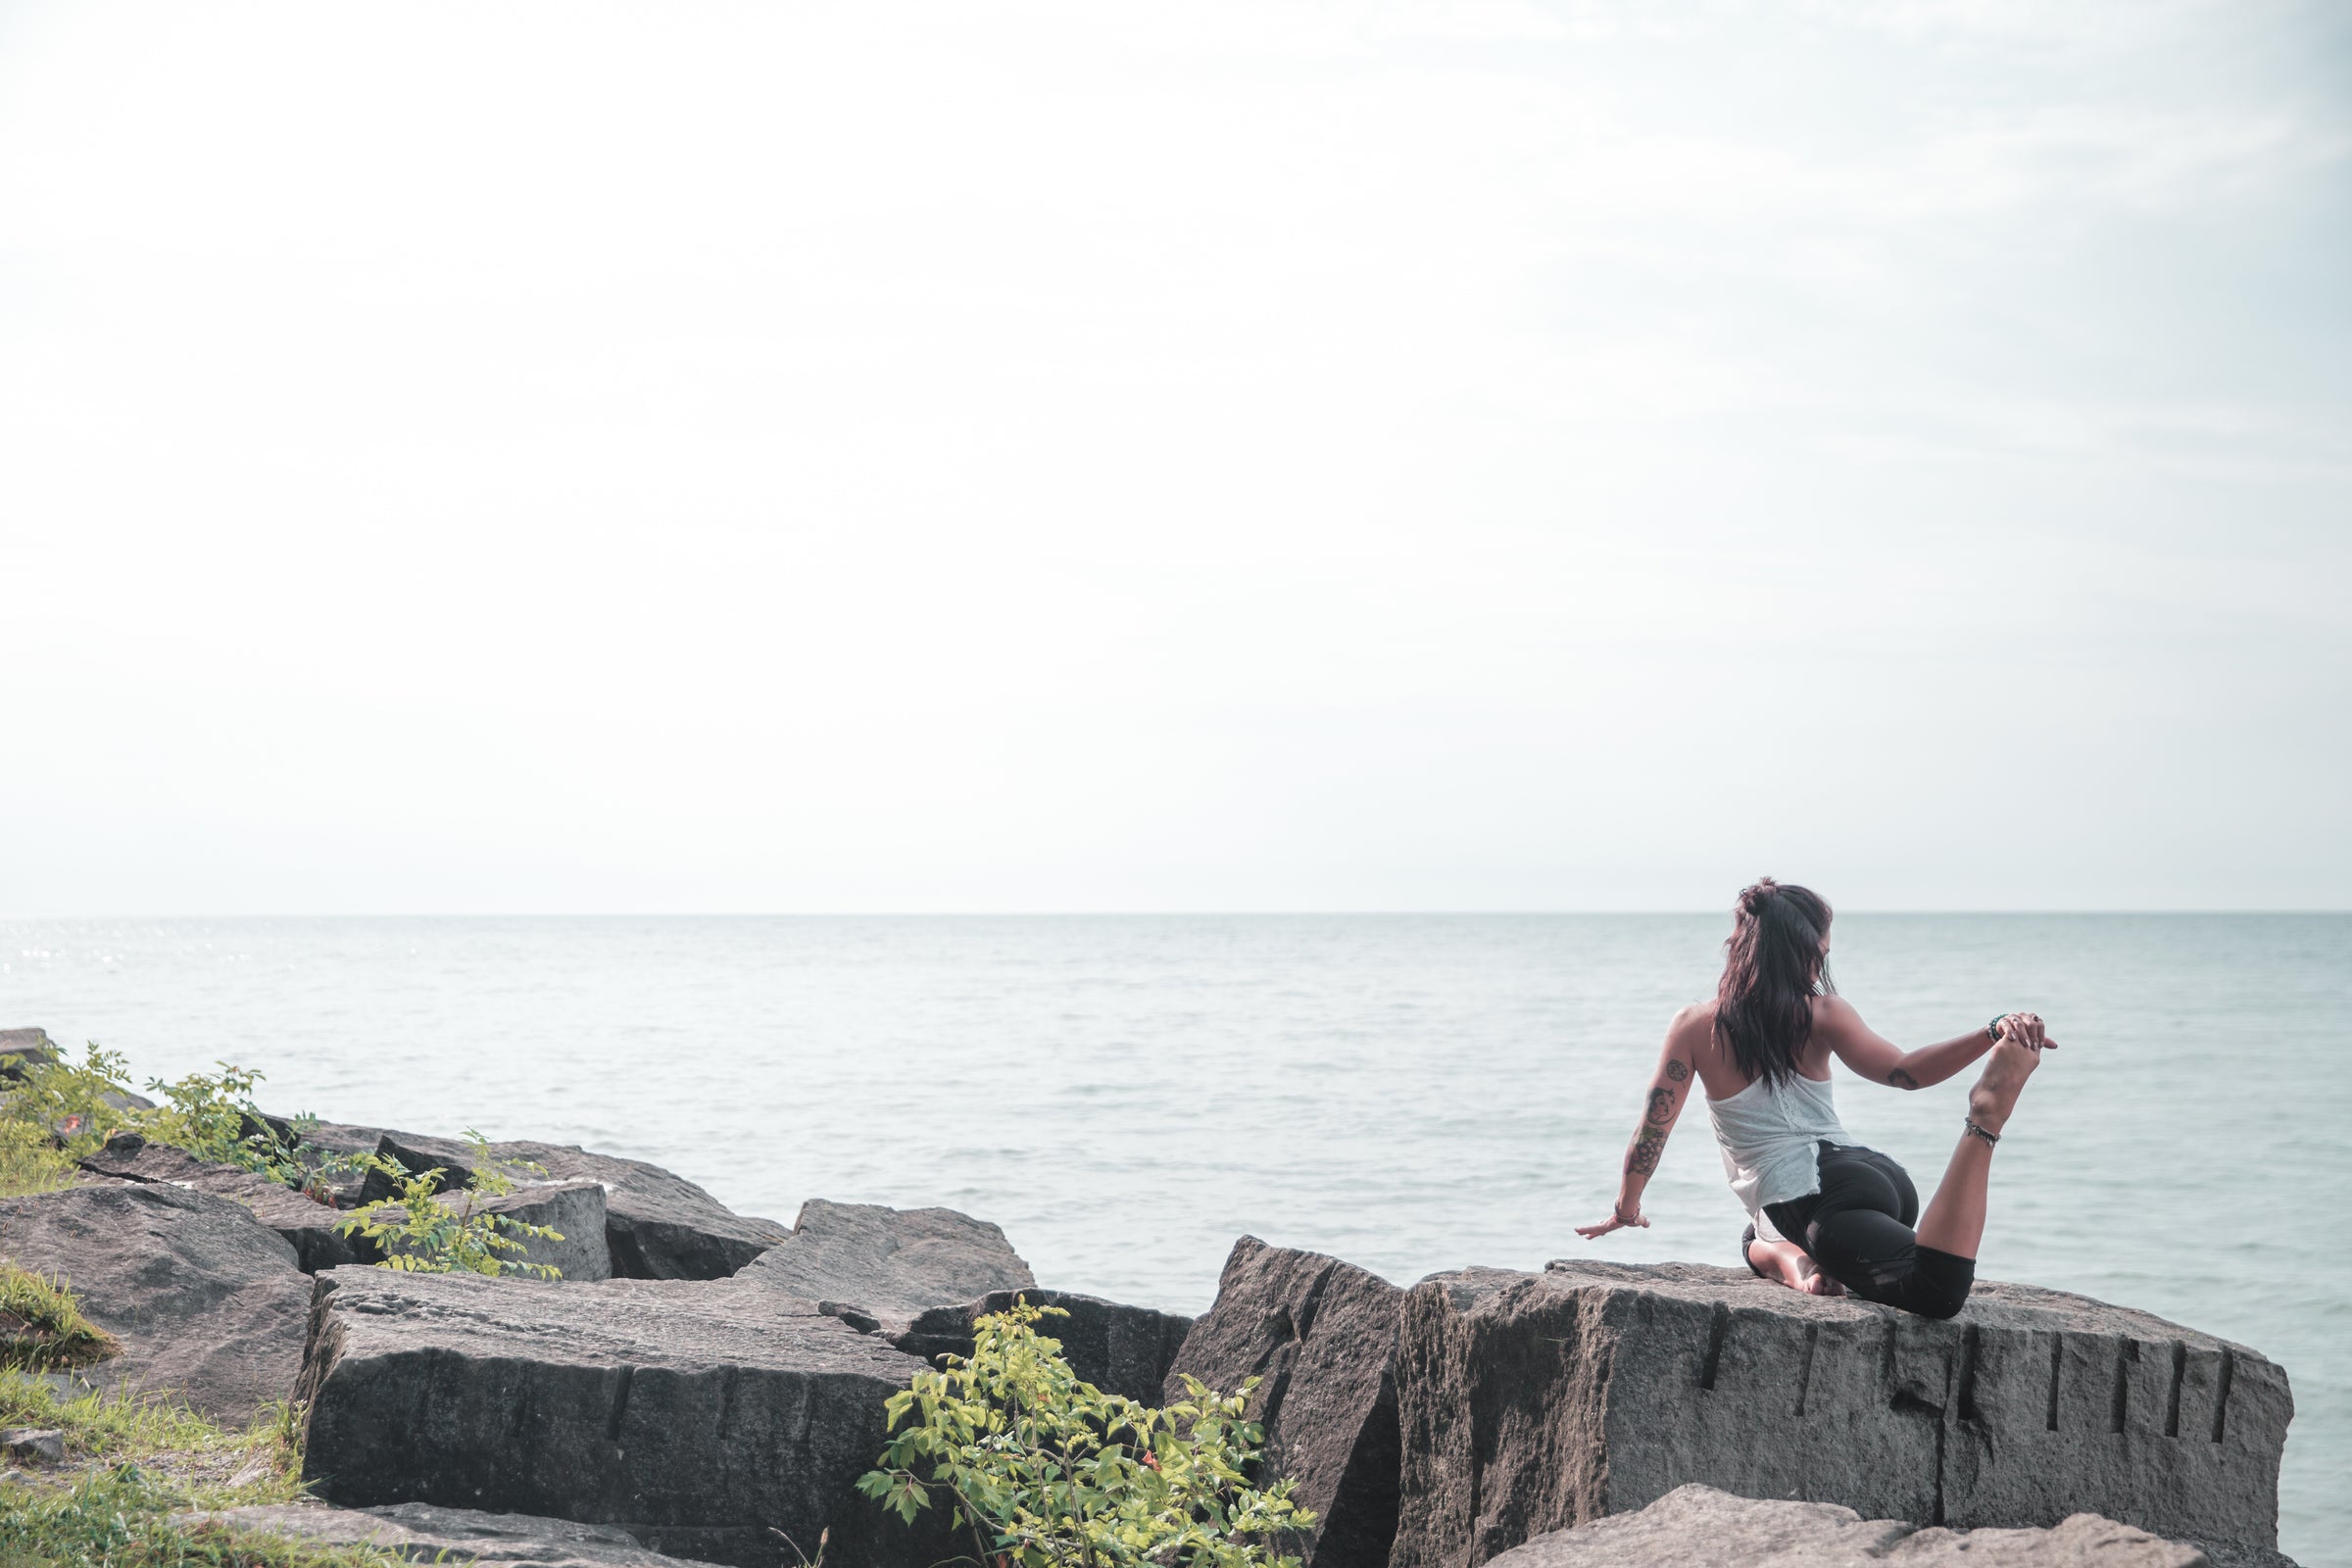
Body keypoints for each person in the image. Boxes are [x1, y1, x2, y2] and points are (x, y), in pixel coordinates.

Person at [1574, 877, 2053, 1318]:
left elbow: (1654, 1126)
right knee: (1755, 1236)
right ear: (1805, 953)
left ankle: (1985, 1117)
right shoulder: (1824, 1013)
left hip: (1813, 1199)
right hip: (1873, 1176)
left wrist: (1626, 1208)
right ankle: (1805, 1264)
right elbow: (1908, 1073)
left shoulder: (1696, 1026)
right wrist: (1988, 1031)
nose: (1823, 962)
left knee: (1935, 1291)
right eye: (1822, 952)